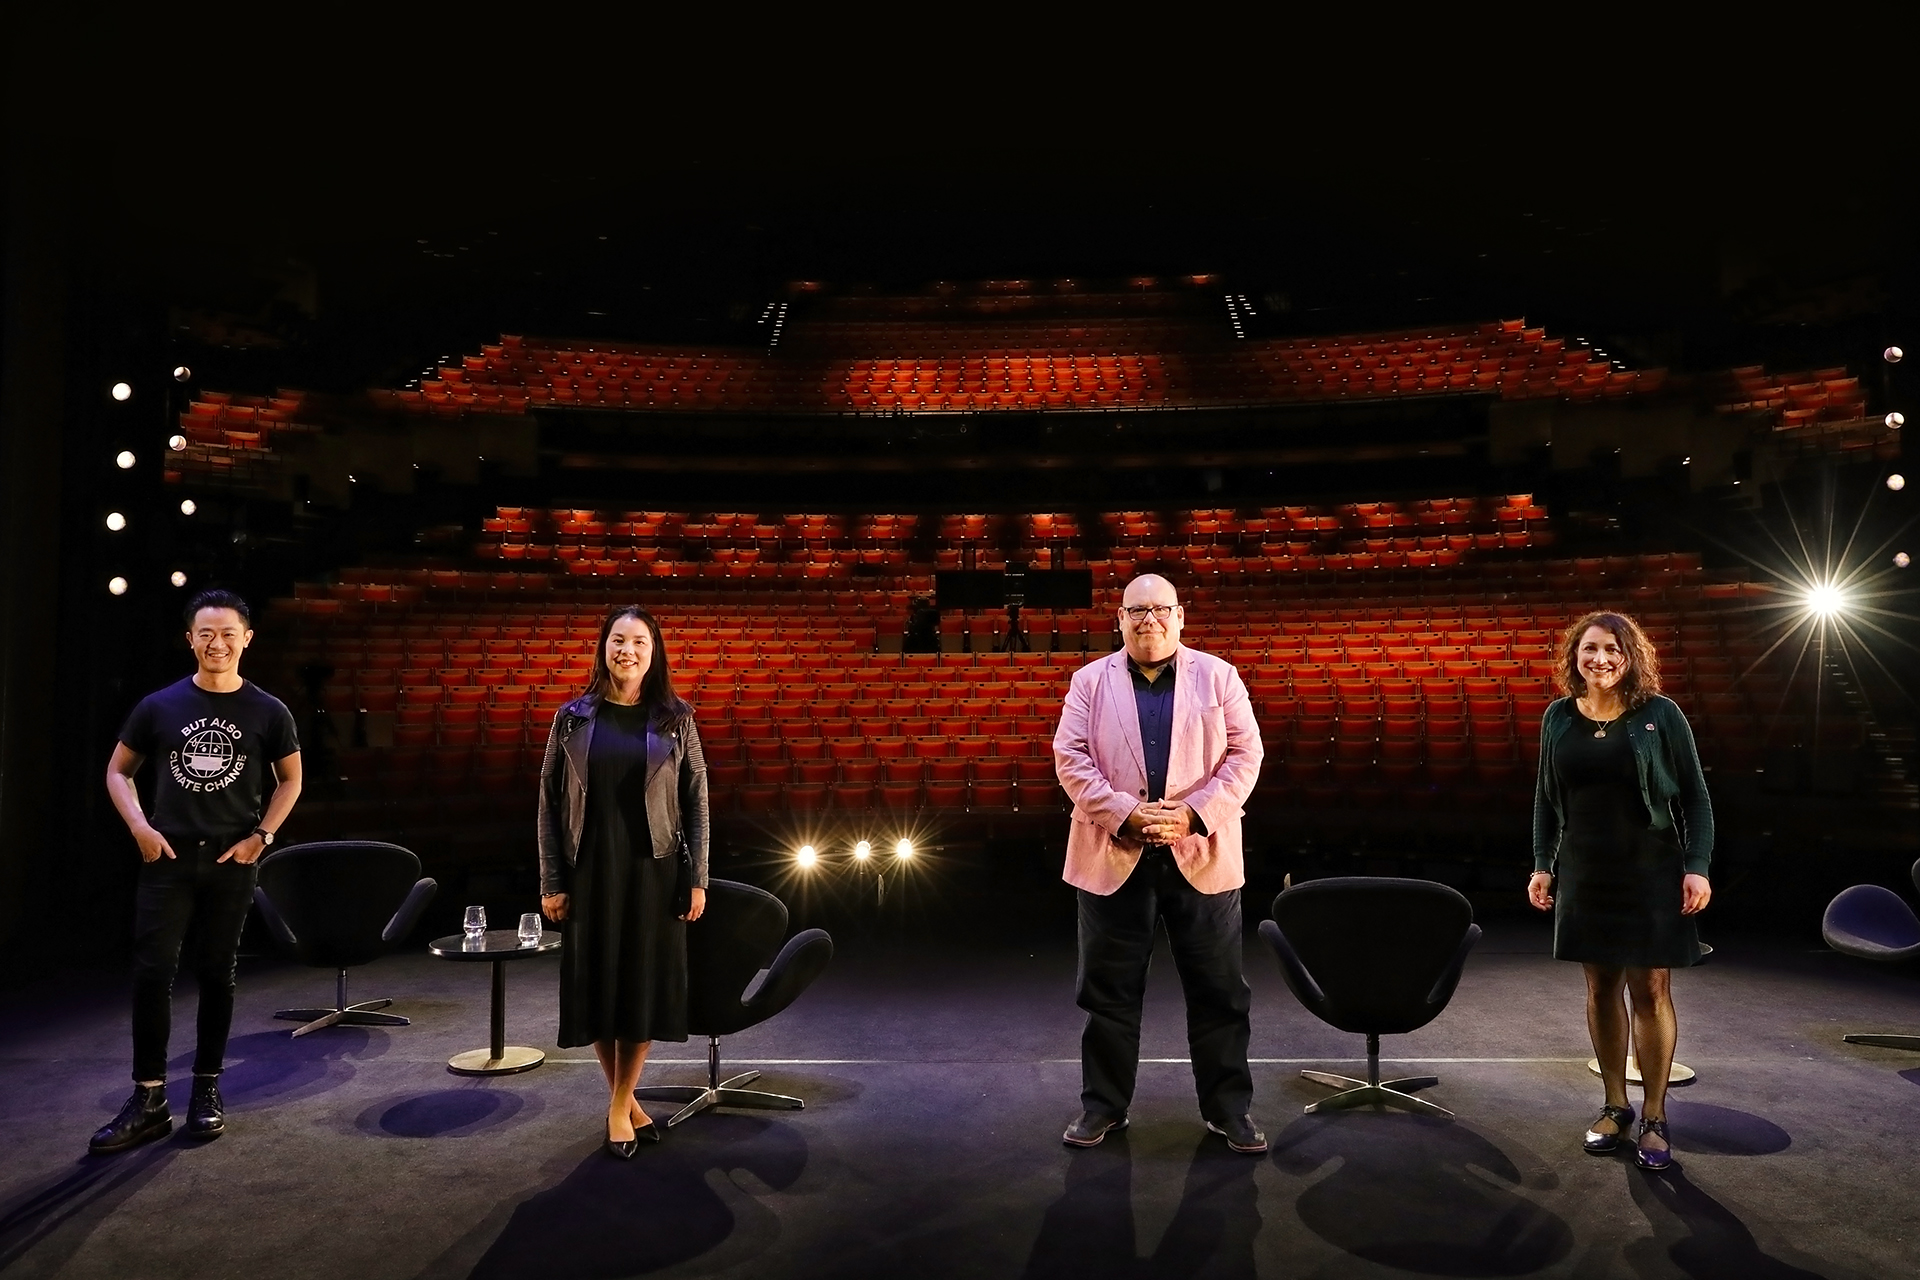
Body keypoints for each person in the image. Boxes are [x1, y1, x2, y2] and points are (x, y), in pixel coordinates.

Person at [1052, 573, 1267, 1153]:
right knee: (1107, 994)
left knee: (1220, 992)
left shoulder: (1219, 676)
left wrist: (1193, 815)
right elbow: (1069, 759)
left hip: (1201, 853)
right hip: (1112, 852)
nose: (1148, 620)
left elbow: (1247, 755)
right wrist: (1126, 814)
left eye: (1159, 609)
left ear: (1179, 616)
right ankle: (1103, 1107)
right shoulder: (1088, 681)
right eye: (1135, 611)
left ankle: (1229, 1111)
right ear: (1119, 620)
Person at [94, 589, 303, 1153]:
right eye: (206, 633)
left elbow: (291, 780)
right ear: (190, 639)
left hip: (230, 861)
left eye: (228, 632)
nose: (217, 643)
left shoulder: (268, 710)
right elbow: (118, 772)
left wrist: (262, 836)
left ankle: (206, 1091)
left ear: (246, 638)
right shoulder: (158, 706)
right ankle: (149, 1097)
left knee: (217, 975)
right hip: (167, 859)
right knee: (152, 975)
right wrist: (139, 826)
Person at [1528, 610, 1712, 1173]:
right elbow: (1544, 798)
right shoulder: (1558, 717)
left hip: (1651, 869)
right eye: (1589, 649)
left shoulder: (1660, 715)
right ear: (1574, 657)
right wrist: (1542, 864)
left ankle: (1655, 1115)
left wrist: (1697, 866)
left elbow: (1696, 800)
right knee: (1601, 986)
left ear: (1630, 656)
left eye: (1611, 649)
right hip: (1585, 871)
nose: (1600, 659)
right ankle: (1614, 1105)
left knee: (1651, 989)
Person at [538, 605, 708, 1158]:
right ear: (603, 647)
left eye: (637, 641)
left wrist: (698, 877)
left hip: (652, 871)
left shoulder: (675, 718)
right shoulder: (572, 718)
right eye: (617, 640)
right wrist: (552, 880)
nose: (626, 651)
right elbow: (548, 805)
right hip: (588, 872)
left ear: (653, 651)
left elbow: (697, 803)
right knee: (596, 989)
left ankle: (617, 1106)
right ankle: (627, 1102)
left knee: (639, 988)